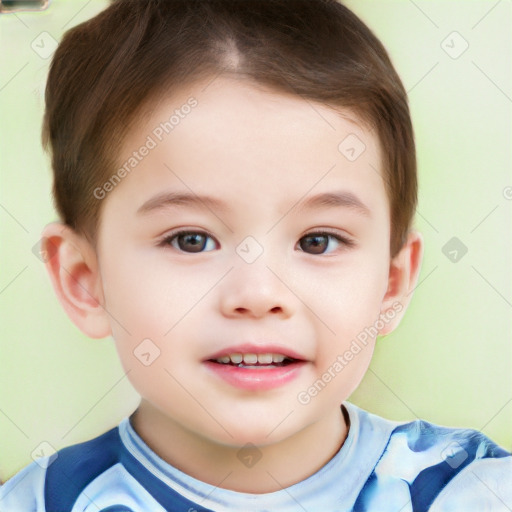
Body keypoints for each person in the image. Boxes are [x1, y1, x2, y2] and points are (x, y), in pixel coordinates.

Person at [1, 0, 510, 510]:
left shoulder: (470, 493)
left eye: (318, 241)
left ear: (391, 284)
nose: (259, 294)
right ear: (85, 280)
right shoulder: (40, 501)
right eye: (191, 240)